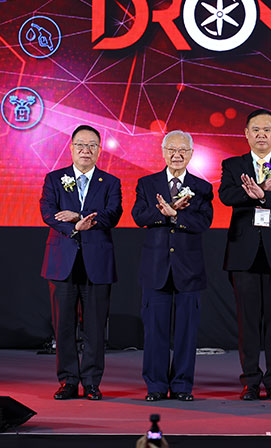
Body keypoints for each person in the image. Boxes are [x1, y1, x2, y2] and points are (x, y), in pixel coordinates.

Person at [218, 109, 271, 401]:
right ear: (246, 134)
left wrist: (265, 195)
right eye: (255, 129)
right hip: (244, 253)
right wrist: (253, 193)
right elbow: (226, 196)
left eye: (267, 129)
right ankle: (251, 381)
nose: (261, 135)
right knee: (248, 321)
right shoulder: (233, 165)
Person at [39, 124, 123, 401]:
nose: (86, 150)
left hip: (97, 262)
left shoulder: (110, 182)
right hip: (62, 261)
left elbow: (112, 215)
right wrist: (75, 226)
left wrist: (78, 215)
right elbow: (48, 212)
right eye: (81, 145)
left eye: (92, 146)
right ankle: (68, 380)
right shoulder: (54, 178)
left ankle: (91, 382)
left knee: (95, 328)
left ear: (99, 150)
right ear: (72, 148)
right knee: (63, 326)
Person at [131, 131, 214, 402]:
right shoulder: (147, 183)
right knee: (154, 331)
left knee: (186, 332)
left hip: (189, 269)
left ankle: (182, 386)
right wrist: (163, 212)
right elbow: (139, 216)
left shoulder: (202, 187)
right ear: (163, 152)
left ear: (191, 154)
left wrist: (177, 215)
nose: (176, 155)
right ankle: (155, 385)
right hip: (156, 268)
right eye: (171, 150)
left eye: (182, 150)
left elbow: (203, 222)